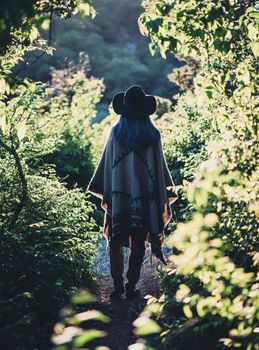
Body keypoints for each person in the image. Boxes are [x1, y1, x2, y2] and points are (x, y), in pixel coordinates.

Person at [86, 85, 179, 300]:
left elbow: (107, 169)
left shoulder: (116, 134)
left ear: (124, 109)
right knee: (139, 240)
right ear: (145, 110)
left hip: (119, 197)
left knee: (115, 240)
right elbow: (158, 172)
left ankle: (118, 285)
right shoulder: (153, 135)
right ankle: (131, 285)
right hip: (145, 199)